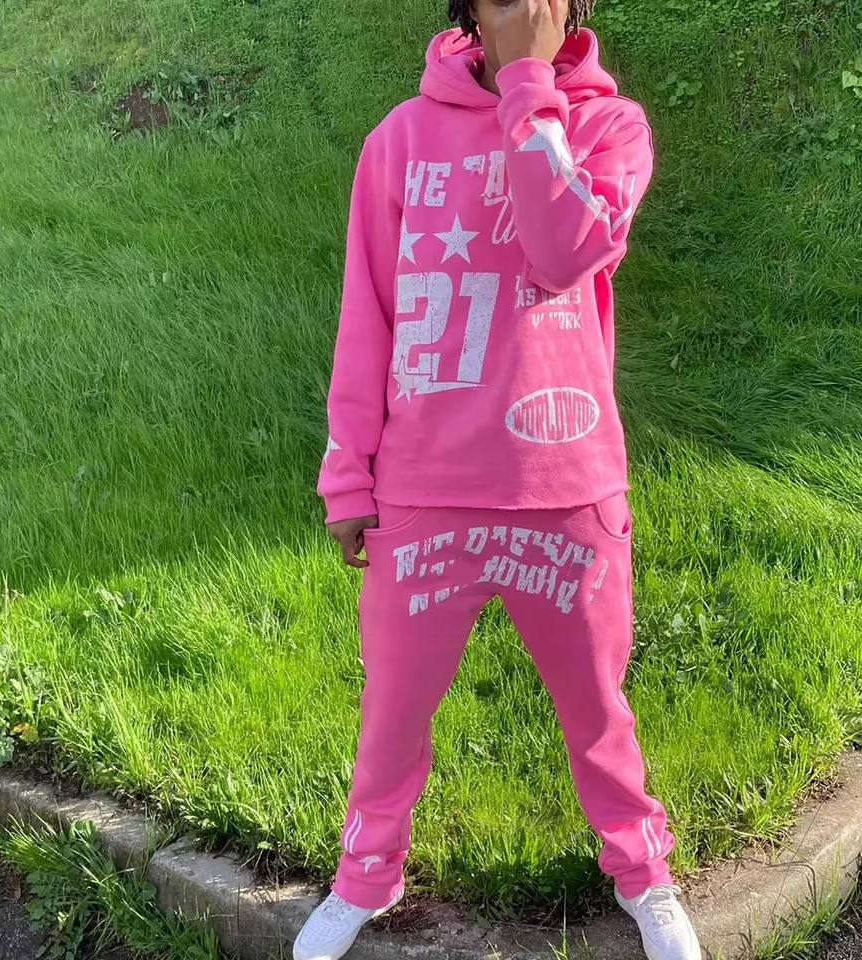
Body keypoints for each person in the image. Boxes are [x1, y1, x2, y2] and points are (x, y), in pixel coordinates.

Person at [295, 2, 701, 959]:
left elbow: (564, 252)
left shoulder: (609, 125)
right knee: (392, 716)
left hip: (566, 484)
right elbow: (368, 312)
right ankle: (366, 874)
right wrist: (349, 476)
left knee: (598, 712)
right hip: (425, 489)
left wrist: (528, 85)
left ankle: (642, 872)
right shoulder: (400, 140)